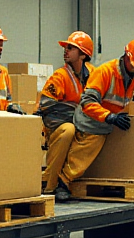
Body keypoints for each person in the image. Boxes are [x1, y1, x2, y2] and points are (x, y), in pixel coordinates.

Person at [51, 39, 134, 199]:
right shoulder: (106, 72)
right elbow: (88, 102)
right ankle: (62, 183)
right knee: (82, 156)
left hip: (110, 122)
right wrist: (109, 116)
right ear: (126, 57)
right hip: (91, 122)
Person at [39, 31, 95, 201]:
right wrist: (78, 116)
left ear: (83, 55)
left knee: (100, 131)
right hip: (57, 127)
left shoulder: (94, 75)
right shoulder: (60, 76)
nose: (65, 51)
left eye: (70, 48)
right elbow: (45, 107)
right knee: (69, 130)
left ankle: (66, 179)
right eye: (66, 47)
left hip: (83, 124)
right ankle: (49, 183)